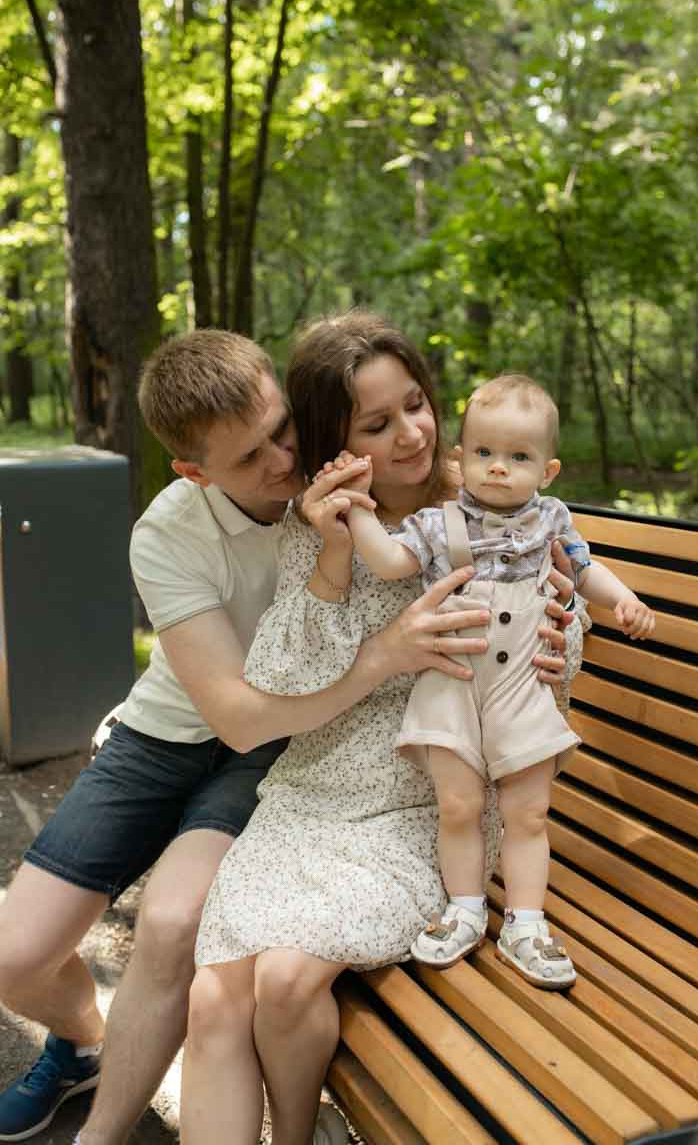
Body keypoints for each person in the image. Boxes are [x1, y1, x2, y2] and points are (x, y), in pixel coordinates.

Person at [0, 328, 530, 1145]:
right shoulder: (178, 533)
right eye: (253, 458)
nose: (285, 461)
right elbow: (239, 711)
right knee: (14, 955)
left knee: (178, 926)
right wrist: (376, 646)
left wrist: (552, 608)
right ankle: (79, 1043)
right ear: (196, 470)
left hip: (304, 755)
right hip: (192, 728)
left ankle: (101, 1136)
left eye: (287, 430)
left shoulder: (377, 488)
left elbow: (495, 537)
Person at [178, 312, 586, 1145]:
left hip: (431, 803)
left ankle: (292, 1133)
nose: (413, 432)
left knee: (288, 981)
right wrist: (332, 554)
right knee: (217, 993)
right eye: (377, 422)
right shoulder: (320, 525)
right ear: (337, 440)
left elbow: (554, 643)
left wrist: (562, 632)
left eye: (417, 405)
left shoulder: (488, 501)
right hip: (315, 795)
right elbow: (283, 680)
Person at [345, 373, 656, 988]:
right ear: (462, 457)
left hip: (521, 689)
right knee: (458, 804)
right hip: (455, 681)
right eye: (484, 453)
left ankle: (526, 923)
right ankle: (463, 907)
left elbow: (587, 572)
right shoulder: (440, 525)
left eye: (518, 457)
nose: (497, 469)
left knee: (529, 811)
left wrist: (626, 601)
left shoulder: (552, 522)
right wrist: (355, 509)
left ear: (549, 470)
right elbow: (386, 562)